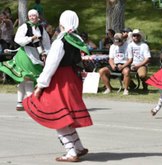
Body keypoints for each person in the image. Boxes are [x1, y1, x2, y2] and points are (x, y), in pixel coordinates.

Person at [22, 10, 93, 162]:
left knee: (57, 116)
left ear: (61, 23)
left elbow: (51, 65)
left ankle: (71, 152)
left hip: (60, 80)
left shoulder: (60, 41)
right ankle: (78, 147)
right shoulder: (76, 39)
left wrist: (40, 85)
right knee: (65, 116)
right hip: (72, 78)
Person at [0, 9, 51, 111]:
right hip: (24, 54)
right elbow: (17, 39)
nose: (32, 17)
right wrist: (30, 39)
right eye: (31, 16)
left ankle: (20, 103)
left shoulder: (41, 29)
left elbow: (46, 43)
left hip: (36, 55)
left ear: (38, 17)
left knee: (24, 80)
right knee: (28, 79)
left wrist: (45, 52)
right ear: (28, 17)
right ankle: (31, 103)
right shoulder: (24, 27)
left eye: (34, 16)